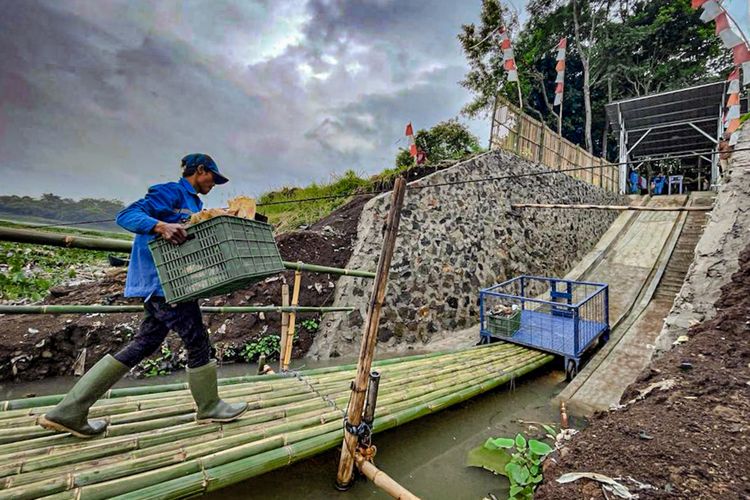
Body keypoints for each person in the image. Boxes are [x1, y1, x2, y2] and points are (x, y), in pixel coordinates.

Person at [38, 154, 247, 438]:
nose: (215, 184)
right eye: (213, 178)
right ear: (200, 171)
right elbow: (127, 215)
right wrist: (160, 226)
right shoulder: (169, 192)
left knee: (144, 343)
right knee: (197, 339)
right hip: (161, 283)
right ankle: (209, 406)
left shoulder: (195, 203)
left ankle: (69, 411)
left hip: (174, 282)